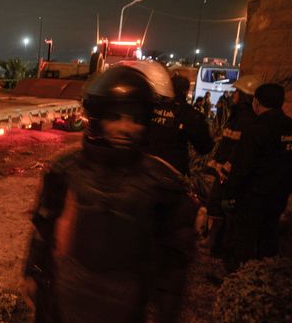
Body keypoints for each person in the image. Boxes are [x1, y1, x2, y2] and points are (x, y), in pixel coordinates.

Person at [24, 66, 196, 323]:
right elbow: (43, 225)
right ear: (99, 119)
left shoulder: (162, 185)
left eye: (135, 119)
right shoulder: (65, 171)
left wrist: (162, 321)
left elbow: (175, 259)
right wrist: (33, 273)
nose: (125, 128)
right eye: (115, 117)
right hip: (68, 296)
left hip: (124, 306)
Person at [219, 83, 292, 272]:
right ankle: (263, 278)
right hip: (279, 195)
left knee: (243, 241)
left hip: (252, 196)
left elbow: (242, 166)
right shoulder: (289, 128)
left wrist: (229, 193)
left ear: (256, 102)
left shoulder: (256, 128)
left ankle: (236, 280)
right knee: (268, 238)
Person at [200, 74, 262, 251]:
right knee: (215, 204)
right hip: (224, 169)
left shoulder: (246, 120)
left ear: (244, 96)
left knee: (221, 205)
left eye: (237, 91)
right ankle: (214, 241)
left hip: (229, 172)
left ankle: (217, 243)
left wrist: (226, 168)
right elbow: (227, 143)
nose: (233, 94)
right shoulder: (237, 117)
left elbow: (239, 149)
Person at [121, 62, 213, 176]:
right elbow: (205, 147)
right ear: (186, 91)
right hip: (172, 174)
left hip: (143, 168)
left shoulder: (151, 107)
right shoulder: (189, 114)